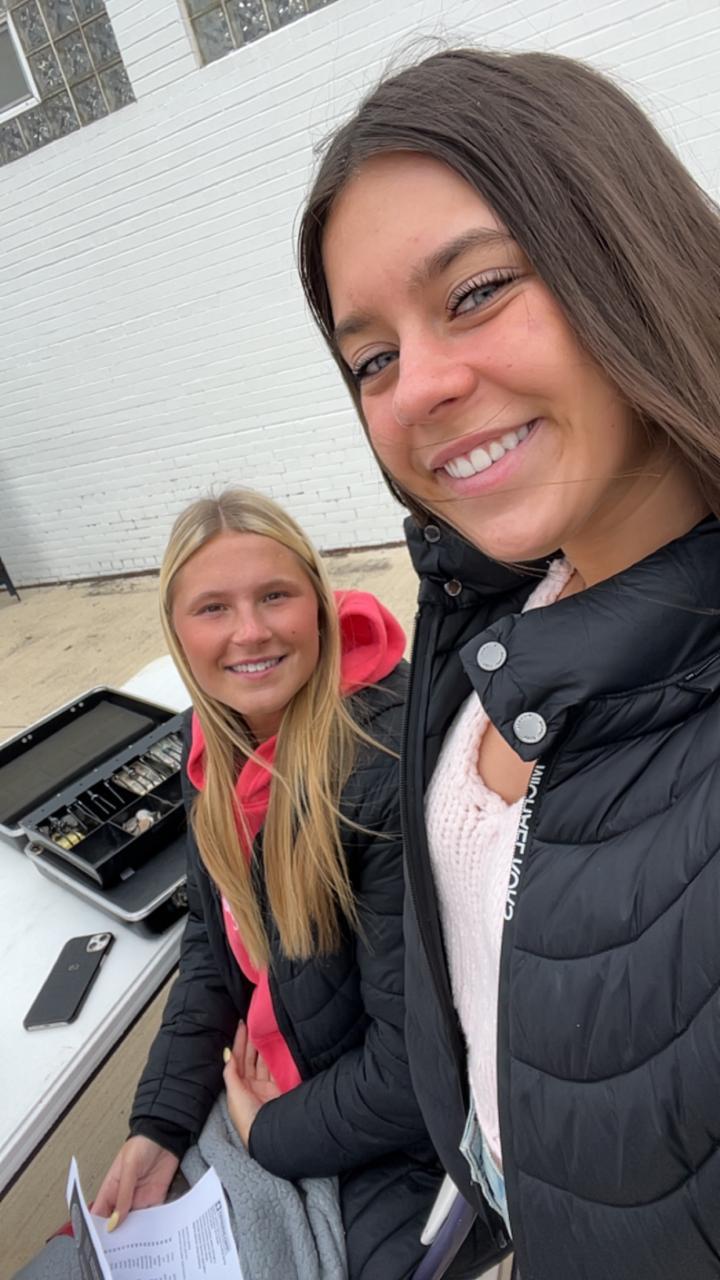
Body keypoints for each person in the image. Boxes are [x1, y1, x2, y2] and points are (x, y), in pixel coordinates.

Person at [297, 47, 720, 1280]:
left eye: (476, 291)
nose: (416, 389)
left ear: (625, 251)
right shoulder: (493, 593)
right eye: (371, 358)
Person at [92, 489, 444, 1280]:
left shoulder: (381, 770)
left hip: (385, 1141)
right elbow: (212, 942)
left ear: (317, 605)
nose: (249, 632)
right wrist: (160, 1123)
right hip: (279, 1084)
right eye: (213, 608)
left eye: (275, 596)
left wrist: (267, 1135)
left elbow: (412, 1074)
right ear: (178, 633)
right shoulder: (212, 739)